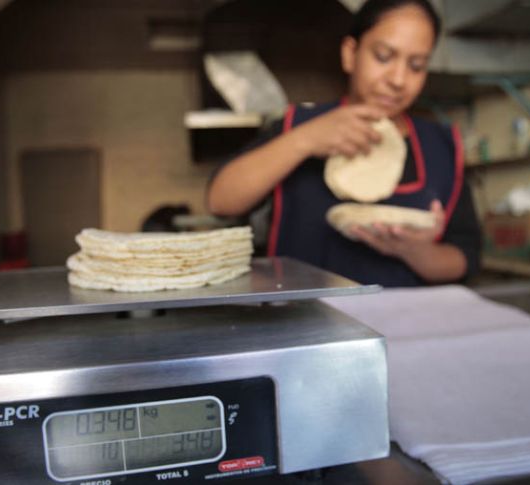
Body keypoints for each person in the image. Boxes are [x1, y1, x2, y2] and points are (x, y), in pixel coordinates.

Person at [206, 0, 481, 287]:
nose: (398, 80)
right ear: (351, 54)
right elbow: (220, 201)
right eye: (384, 56)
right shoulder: (298, 124)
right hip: (304, 321)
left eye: (416, 66)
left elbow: (466, 256)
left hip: (404, 324)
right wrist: (305, 141)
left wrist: (414, 252)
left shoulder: (441, 146)